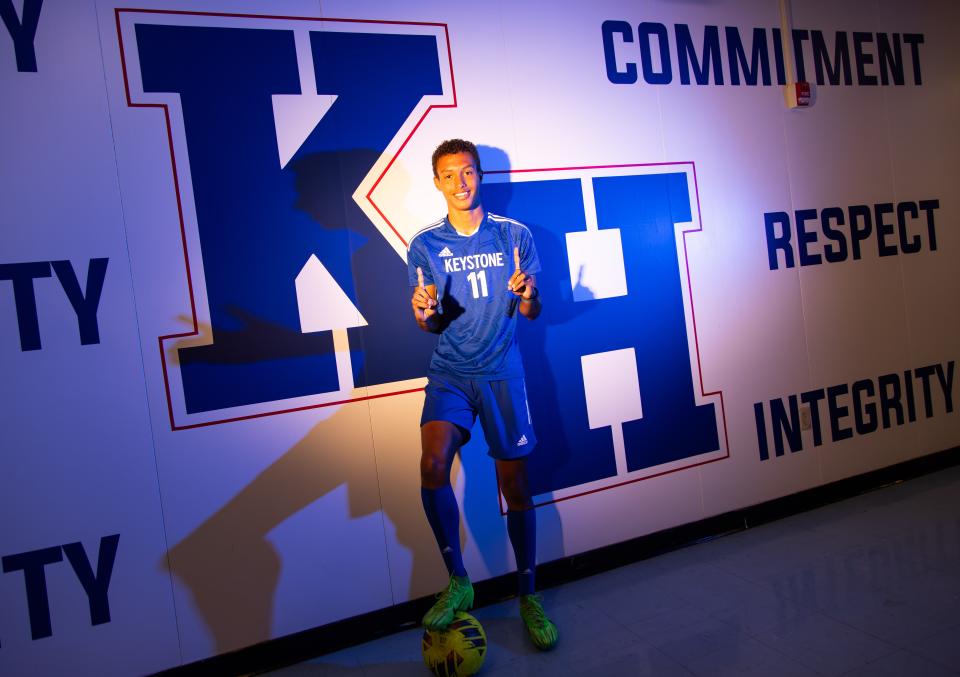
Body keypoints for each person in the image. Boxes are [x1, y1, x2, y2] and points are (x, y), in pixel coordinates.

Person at [407, 139, 558, 650]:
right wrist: (425, 312)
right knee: (432, 465)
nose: (460, 183)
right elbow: (426, 320)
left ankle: (529, 596)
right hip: (450, 372)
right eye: (449, 175)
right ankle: (458, 580)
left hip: (501, 371)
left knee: (514, 487)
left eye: (468, 172)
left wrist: (530, 296)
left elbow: (534, 310)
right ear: (437, 182)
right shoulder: (425, 243)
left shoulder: (514, 235)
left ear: (480, 176)